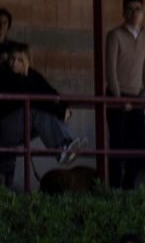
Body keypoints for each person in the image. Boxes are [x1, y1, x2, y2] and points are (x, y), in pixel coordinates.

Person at [0, 43, 84, 185]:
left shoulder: (33, 75)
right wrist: (59, 111)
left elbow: (51, 93)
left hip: (22, 127)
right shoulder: (6, 75)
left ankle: (66, 143)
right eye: (12, 59)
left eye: (20, 60)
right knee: (36, 109)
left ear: (27, 61)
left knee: (46, 110)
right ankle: (62, 146)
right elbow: (30, 97)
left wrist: (64, 107)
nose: (14, 63)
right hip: (5, 127)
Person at [105, 0, 145, 189]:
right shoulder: (115, 35)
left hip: (137, 97)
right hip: (117, 95)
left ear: (143, 13)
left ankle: (127, 187)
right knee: (118, 145)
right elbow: (111, 69)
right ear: (124, 13)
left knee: (141, 148)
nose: (135, 13)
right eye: (131, 9)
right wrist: (118, 98)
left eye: (139, 9)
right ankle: (115, 189)